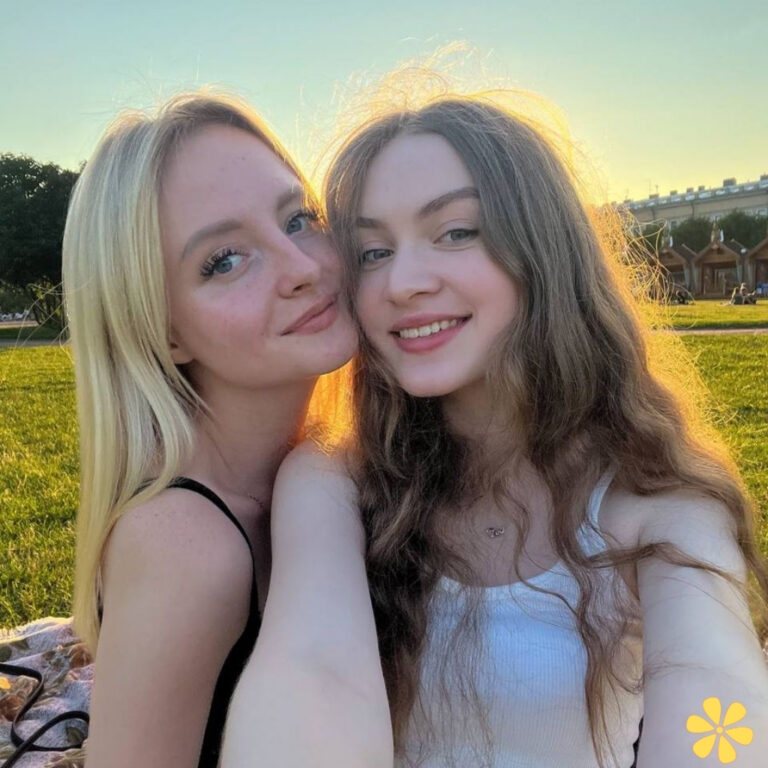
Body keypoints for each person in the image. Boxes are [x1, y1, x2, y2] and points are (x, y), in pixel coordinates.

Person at [318, 92, 768, 767]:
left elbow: (717, 696)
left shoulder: (654, 499)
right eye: (372, 252)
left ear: (542, 249)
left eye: (457, 231)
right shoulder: (341, 486)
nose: (402, 282)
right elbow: (303, 672)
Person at [62, 92, 390, 768]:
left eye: (299, 218)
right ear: (162, 329)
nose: (303, 269)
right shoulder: (187, 545)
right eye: (224, 260)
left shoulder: (329, 460)